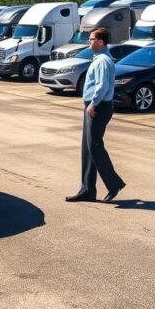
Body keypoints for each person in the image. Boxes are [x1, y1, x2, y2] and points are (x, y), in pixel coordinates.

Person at [66, 27, 126, 203]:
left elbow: (102, 86)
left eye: (92, 39)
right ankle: (87, 190)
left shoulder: (103, 61)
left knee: (95, 146)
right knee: (88, 147)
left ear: (101, 42)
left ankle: (114, 184)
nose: (89, 42)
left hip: (99, 107)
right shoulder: (99, 59)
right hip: (95, 106)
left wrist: (93, 104)